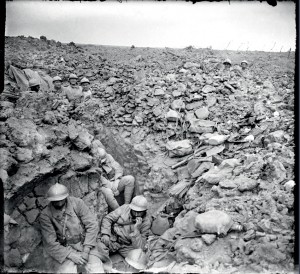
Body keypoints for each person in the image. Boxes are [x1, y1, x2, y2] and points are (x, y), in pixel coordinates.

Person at [39, 183, 104, 273]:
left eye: (61, 200)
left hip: (84, 244)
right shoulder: (45, 214)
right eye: (55, 201)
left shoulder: (77, 203)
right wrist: (70, 255)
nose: (59, 203)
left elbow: (92, 225)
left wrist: (86, 250)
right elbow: (50, 243)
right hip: (64, 250)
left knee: (97, 269)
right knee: (67, 271)